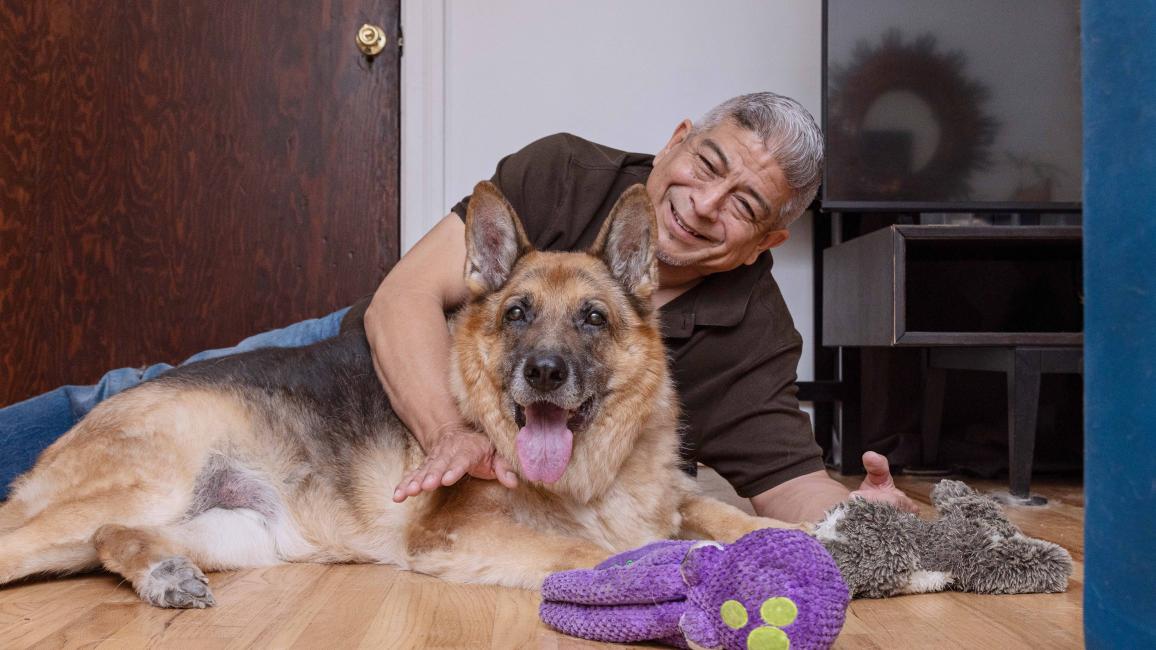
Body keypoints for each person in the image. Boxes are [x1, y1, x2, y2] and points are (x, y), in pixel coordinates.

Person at [0, 92, 914, 522]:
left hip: (468, 492)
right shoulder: (565, 168)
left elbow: (791, 491)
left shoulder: (753, 327)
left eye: (745, 206)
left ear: (766, 244)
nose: (706, 203)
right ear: (678, 140)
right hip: (378, 364)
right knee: (144, 397)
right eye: (709, 164)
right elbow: (403, 298)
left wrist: (875, 511)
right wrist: (450, 430)